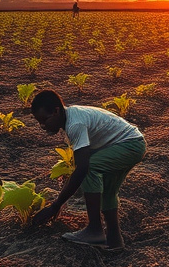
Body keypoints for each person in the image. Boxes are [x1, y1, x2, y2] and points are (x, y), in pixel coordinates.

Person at [31, 89, 146, 250]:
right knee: (107, 191)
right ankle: (115, 241)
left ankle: (94, 230)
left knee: (90, 168)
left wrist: (55, 206)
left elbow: (82, 168)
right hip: (132, 143)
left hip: (129, 145)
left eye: (45, 120)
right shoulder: (72, 116)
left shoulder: (75, 124)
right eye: (39, 122)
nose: (43, 126)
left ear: (56, 111)